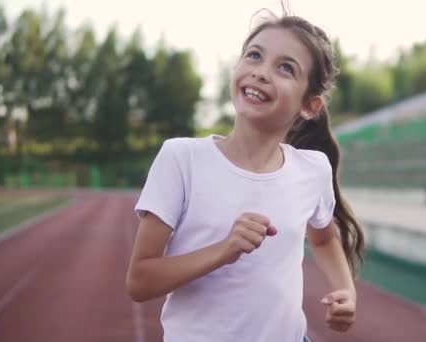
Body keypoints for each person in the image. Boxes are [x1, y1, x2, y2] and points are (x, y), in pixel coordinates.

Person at [126, 8, 365, 342]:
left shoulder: (313, 170)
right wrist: (224, 250)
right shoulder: (181, 158)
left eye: (285, 67)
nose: (261, 73)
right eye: (254, 56)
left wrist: (346, 290)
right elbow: (139, 280)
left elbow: (323, 238)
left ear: (309, 106)